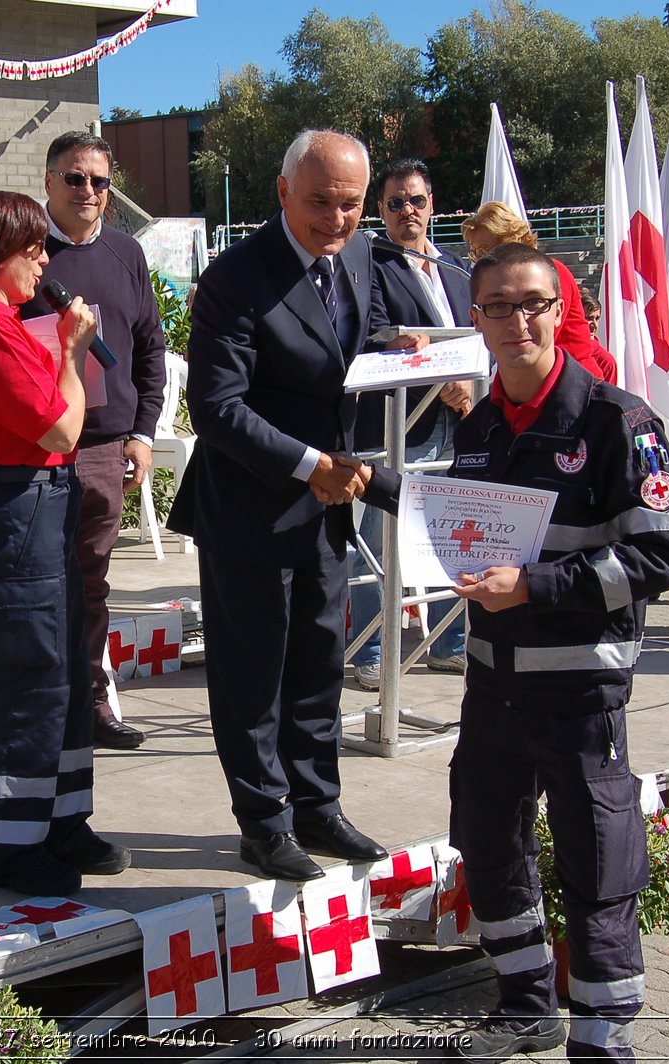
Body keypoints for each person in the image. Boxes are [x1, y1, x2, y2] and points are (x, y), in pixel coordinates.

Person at [441, 243, 669, 1060]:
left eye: (532, 304)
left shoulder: (618, 421)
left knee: (598, 863)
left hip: (583, 694)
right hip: (492, 690)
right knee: (486, 839)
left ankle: (602, 1039)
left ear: (559, 310)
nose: (516, 321)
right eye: (497, 307)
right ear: (475, 321)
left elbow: (663, 557)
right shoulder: (477, 425)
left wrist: (535, 588)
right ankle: (525, 1002)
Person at [166, 129, 396, 883]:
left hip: (328, 509)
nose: (336, 220)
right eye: (320, 203)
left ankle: (317, 805)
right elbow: (217, 407)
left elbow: (346, 357)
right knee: (253, 674)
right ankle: (263, 823)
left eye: (352, 204)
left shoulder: (358, 255)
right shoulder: (236, 277)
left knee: (319, 663)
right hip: (251, 506)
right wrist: (309, 467)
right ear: (282, 192)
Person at [0, 186, 131, 896]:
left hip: (39, 500)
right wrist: (72, 353)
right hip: (14, 501)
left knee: (67, 670)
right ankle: (13, 845)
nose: (44, 262)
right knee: (27, 677)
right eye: (33, 249)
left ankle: (62, 820)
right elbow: (60, 428)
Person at [18, 131, 166, 751]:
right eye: (75, 179)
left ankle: (92, 702)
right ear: (49, 181)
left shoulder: (126, 253)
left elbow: (150, 348)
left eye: (99, 182)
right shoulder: (24, 253)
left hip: (105, 448)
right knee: (39, 583)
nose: (88, 192)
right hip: (40, 447)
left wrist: (143, 432)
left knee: (92, 582)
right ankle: (44, 706)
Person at [348, 158, 473, 688]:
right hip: (401, 425)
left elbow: (477, 333)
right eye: (395, 203)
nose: (407, 211)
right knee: (378, 542)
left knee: (455, 536)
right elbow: (376, 331)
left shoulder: (456, 266)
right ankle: (372, 651)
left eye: (416, 201)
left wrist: (467, 375)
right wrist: (426, 367)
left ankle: (449, 642)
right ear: (381, 210)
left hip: (460, 421)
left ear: (432, 205)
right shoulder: (372, 263)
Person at [462, 201, 618, 384]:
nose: (479, 259)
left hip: (575, 386)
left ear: (509, 239)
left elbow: (531, 343)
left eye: (484, 250)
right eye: (474, 252)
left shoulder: (550, 274)